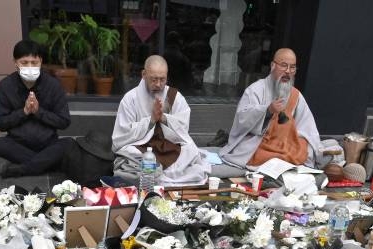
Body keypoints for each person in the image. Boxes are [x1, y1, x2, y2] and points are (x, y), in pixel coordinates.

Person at [112, 55, 210, 185]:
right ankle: (166, 175)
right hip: (140, 146)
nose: (158, 84)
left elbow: (183, 129)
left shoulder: (174, 96)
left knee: (190, 150)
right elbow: (121, 136)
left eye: (162, 79)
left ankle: (160, 176)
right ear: (144, 74)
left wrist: (163, 118)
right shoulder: (130, 99)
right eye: (154, 79)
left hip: (168, 144)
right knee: (129, 153)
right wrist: (151, 120)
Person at [220, 48, 321, 168]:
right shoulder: (256, 90)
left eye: (292, 67)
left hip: (286, 144)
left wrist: (296, 140)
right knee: (266, 158)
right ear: (273, 65)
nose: (288, 71)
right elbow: (242, 120)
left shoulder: (296, 95)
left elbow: (308, 128)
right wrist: (267, 110)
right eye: (284, 66)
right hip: (261, 143)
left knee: (305, 150)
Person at [0, 39, 71, 178]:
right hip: (18, 144)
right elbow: (0, 123)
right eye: (24, 63)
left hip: (48, 144)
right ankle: (47, 164)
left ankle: (22, 169)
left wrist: (38, 112)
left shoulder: (53, 85)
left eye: (34, 63)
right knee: (0, 144)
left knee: (69, 144)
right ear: (15, 62)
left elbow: (64, 121)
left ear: (41, 61)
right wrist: (23, 112)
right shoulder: (5, 86)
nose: (30, 67)